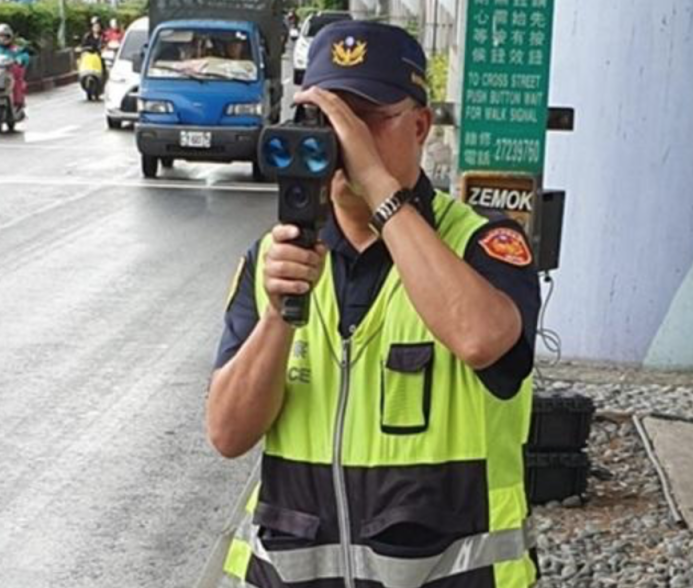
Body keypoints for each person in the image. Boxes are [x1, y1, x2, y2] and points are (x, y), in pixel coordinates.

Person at [206, 21, 541, 588]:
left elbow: (481, 338)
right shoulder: (275, 256)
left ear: (419, 126)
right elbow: (228, 434)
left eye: (366, 120)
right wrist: (277, 315)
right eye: (329, 118)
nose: (346, 141)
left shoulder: (482, 244)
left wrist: (379, 188)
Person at [0, 24, 30, 111]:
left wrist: (21, 59)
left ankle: (17, 102)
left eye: (4, 36)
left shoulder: (15, 48)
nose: (2, 39)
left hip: (9, 73)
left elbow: (23, 55)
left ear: (9, 36)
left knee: (17, 81)